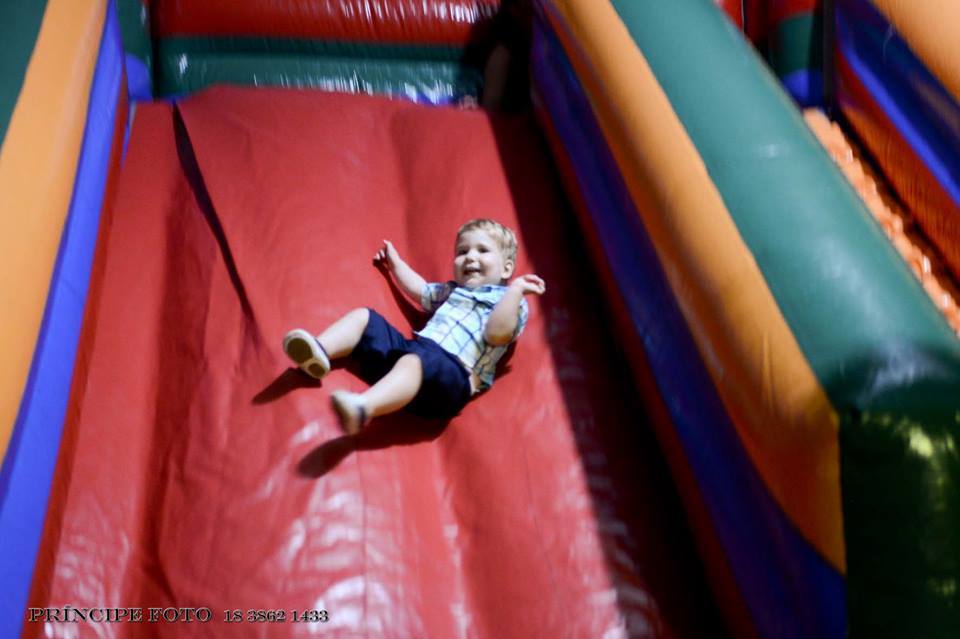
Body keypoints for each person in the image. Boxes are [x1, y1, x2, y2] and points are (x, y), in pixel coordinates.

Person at [283, 219, 546, 434]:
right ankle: (319, 351)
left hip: (450, 380)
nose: (470, 257)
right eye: (462, 252)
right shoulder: (453, 291)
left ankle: (363, 408)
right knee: (365, 317)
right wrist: (395, 264)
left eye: (482, 250)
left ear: (506, 269)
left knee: (417, 361)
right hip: (411, 357)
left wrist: (515, 291)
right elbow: (421, 291)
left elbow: (496, 334)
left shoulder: (510, 302)